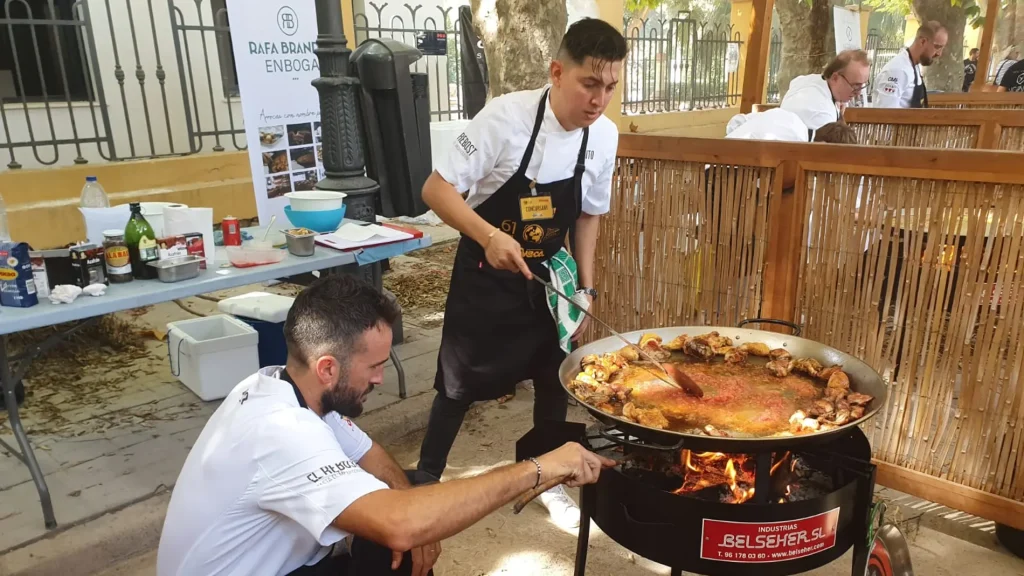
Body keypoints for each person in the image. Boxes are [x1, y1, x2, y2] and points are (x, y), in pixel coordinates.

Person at [156, 276, 614, 576]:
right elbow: (399, 525)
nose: (380, 378)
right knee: (401, 528)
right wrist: (538, 468)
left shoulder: (284, 384)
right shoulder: (282, 431)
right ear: (328, 368)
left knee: (413, 495)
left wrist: (414, 518)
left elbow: (371, 456)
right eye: (374, 366)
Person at [416, 17, 627, 529]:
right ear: (557, 72)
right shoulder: (505, 119)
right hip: (486, 275)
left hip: (550, 281)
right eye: (589, 83)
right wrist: (489, 235)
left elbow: (588, 215)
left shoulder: (603, 136)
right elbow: (436, 189)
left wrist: (585, 287)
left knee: (554, 380)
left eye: (610, 87)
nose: (599, 100)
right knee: (457, 385)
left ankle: (546, 482)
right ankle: (424, 481)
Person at [780, 49, 870, 131]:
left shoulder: (806, 81)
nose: (858, 93)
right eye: (855, 85)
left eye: (862, 85)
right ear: (835, 78)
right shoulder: (822, 113)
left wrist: (838, 103)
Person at [872, 21, 947, 108]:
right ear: (922, 41)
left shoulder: (913, 65)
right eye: (937, 47)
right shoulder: (898, 70)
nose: (939, 54)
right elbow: (886, 113)